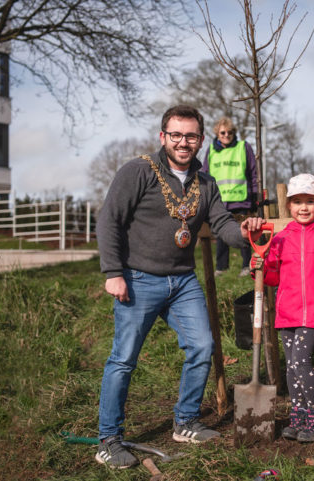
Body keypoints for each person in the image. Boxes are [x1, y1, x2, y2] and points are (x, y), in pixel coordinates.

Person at [95, 105, 265, 469]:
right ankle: (108, 439)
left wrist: (246, 233)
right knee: (123, 360)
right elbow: (109, 219)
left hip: (183, 281)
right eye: (176, 135)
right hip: (138, 278)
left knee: (203, 346)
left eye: (190, 136)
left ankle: (185, 422)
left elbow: (222, 225)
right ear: (163, 137)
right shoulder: (138, 171)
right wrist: (113, 272)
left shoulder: (206, 184)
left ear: (200, 141)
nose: (183, 142)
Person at [250, 173, 314, 443]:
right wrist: (257, 267)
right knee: (291, 368)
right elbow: (272, 277)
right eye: (297, 202)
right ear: (289, 205)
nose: (304, 207)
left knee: (300, 361)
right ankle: (299, 415)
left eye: (310, 201)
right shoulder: (282, 238)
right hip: (287, 313)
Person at [201, 117, 259, 277]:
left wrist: (254, 195)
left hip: (240, 198)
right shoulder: (211, 150)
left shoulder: (243, 147)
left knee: (244, 232)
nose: (227, 135)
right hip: (218, 200)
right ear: (217, 133)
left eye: (230, 132)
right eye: (223, 132)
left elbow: (253, 172)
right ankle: (221, 267)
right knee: (220, 234)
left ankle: (247, 266)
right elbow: (205, 174)